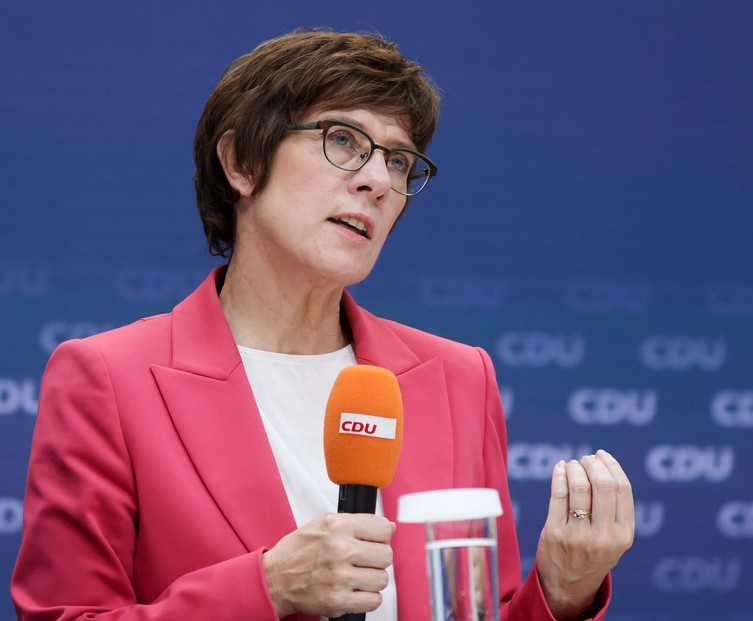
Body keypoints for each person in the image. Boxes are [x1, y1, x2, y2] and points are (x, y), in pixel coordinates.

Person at [11, 29, 634, 620]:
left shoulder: (458, 378)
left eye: (398, 161)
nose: (377, 181)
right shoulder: (109, 380)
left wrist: (561, 590)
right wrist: (268, 587)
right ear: (241, 163)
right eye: (343, 140)